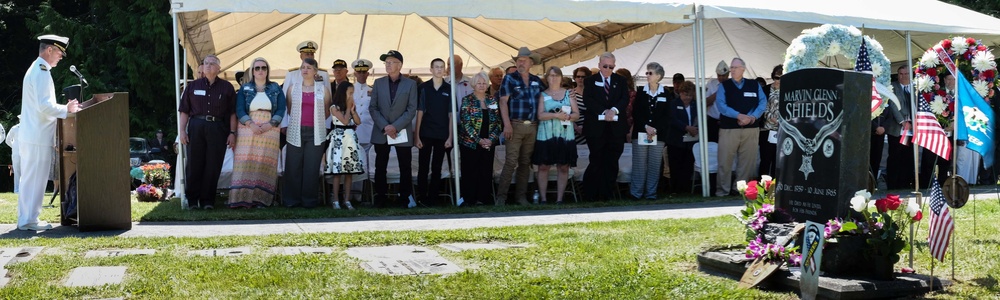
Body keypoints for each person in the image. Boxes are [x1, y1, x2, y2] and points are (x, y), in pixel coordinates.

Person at [18, 35, 81, 231]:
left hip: (33, 135)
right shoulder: (41, 72)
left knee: (31, 179)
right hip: (36, 136)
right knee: (34, 180)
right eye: (60, 52)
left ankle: (27, 218)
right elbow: (44, 106)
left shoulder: (37, 69)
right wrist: (66, 109)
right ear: (49, 50)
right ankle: (29, 220)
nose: (61, 56)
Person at [179, 54, 237, 210]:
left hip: (217, 128)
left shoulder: (227, 87)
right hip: (196, 126)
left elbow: (232, 113)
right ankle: (192, 200)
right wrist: (182, 132)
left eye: (212, 63)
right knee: (194, 163)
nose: (209, 66)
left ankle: (207, 201)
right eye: (206, 63)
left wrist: (232, 133)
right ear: (202, 68)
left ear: (219, 68)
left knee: (213, 164)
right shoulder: (192, 86)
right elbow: (184, 111)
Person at [227, 57, 285, 208]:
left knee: (265, 162)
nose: (260, 71)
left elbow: (281, 109)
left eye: (263, 68)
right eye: (257, 68)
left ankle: (262, 200)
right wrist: (250, 124)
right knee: (245, 162)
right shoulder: (245, 89)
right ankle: (241, 199)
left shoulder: (276, 88)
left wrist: (270, 124)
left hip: (270, 129)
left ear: (267, 70)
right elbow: (239, 109)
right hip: (247, 128)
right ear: (252, 71)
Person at [370, 50, 419, 209]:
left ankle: (404, 198)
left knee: (405, 166)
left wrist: (395, 126)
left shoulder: (410, 84)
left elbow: (412, 109)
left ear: (400, 65)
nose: (388, 65)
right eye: (386, 63)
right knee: (380, 166)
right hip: (382, 131)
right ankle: (380, 197)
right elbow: (373, 108)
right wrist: (386, 126)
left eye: (391, 62)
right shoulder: (378, 83)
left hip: (401, 131)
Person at [497, 47, 544, 206]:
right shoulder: (509, 79)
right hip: (515, 125)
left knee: (525, 162)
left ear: (531, 63)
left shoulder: (537, 81)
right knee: (511, 161)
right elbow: (503, 102)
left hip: (532, 126)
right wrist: (507, 125)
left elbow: (547, 99)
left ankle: (521, 197)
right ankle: (501, 198)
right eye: (518, 60)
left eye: (524, 60)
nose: (520, 63)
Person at [714, 57, 766, 197]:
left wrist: (752, 117)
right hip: (729, 130)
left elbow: (762, 103)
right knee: (725, 161)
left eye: (735, 67)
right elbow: (721, 105)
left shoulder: (754, 85)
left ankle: (739, 189)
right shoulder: (724, 86)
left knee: (747, 162)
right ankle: (722, 191)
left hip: (751, 129)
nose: (732, 70)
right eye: (731, 68)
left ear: (743, 69)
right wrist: (738, 116)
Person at [283, 58, 331, 208]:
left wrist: (316, 122)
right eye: (303, 67)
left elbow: (327, 110)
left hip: (316, 133)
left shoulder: (323, 89)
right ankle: (292, 200)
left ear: (315, 71)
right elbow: (290, 108)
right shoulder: (293, 88)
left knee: (311, 167)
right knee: (293, 166)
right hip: (296, 131)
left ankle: (309, 201)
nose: (305, 70)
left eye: (309, 67)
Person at [582, 52, 630, 201]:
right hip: (596, 128)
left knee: (612, 161)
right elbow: (588, 100)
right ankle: (590, 194)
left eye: (611, 66)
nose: (608, 69)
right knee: (596, 160)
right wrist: (604, 111)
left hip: (616, 129)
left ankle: (607, 194)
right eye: (605, 66)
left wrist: (613, 110)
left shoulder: (620, 80)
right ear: (599, 65)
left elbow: (625, 98)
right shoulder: (590, 80)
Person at [532, 66, 579, 204]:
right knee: (543, 166)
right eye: (551, 76)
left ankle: (560, 199)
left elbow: (577, 114)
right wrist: (555, 115)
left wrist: (568, 117)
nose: (554, 78)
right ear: (546, 78)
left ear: (561, 77)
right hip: (546, 135)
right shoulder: (542, 95)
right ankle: (544, 198)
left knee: (564, 166)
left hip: (565, 135)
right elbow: (540, 115)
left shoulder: (569, 94)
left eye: (556, 75)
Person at [414, 58, 454, 206]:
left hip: (442, 134)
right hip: (425, 133)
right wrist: (416, 135)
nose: (439, 69)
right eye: (436, 67)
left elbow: (451, 114)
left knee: (437, 168)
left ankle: (433, 198)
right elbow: (419, 112)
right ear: (431, 69)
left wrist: (450, 136)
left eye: (441, 67)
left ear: (445, 70)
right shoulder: (423, 88)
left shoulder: (449, 89)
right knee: (423, 167)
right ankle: (422, 198)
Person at [457, 72, 501, 206]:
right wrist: (479, 140)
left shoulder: (492, 100)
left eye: (484, 83)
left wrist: (490, 140)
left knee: (485, 171)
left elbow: (498, 123)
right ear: (473, 85)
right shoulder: (467, 100)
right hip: (470, 143)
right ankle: (469, 199)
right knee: (470, 171)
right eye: (479, 83)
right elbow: (465, 123)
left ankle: (484, 199)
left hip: (488, 143)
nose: (482, 86)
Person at [630, 62, 671, 199]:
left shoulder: (666, 93)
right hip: (641, 132)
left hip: (658, 135)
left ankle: (651, 193)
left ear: (658, 76)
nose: (647, 75)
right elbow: (636, 112)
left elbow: (667, 115)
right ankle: (636, 193)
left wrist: (656, 128)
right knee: (639, 165)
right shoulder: (641, 91)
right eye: (647, 72)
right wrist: (645, 126)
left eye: (650, 73)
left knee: (654, 165)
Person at [325, 81, 365, 209]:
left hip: (350, 138)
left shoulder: (351, 106)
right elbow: (344, 120)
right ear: (343, 93)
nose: (352, 96)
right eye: (350, 93)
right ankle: (336, 199)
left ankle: (347, 200)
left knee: (349, 171)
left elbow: (357, 121)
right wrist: (348, 108)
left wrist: (353, 110)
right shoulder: (334, 107)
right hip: (338, 138)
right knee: (338, 172)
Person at [666, 81, 698, 194]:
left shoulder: (695, 104)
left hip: (691, 141)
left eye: (690, 95)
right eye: (685, 95)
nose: (688, 97)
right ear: (680, 93)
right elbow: (672, 119)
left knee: (688, 165)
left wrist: (695, 128)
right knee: (675, 166)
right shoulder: (673, 103)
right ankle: (675, 190)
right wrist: (686, 127)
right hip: (676, 140)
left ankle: (686, 189)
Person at [886, 65, 914, 189]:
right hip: (897, 129)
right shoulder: (893, 87)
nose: (903, 76)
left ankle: (905, 183)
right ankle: (892, 184)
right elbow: (893, 105)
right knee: (894, 156)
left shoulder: (915, 88)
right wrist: (903, 122)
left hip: (911, 129)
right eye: (900, 74)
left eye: (906, 74)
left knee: (907, 157)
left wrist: (914, 122)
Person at [759, 65, 782, 177]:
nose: (779, 80)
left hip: (781, 130)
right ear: (773, 77)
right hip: (766, 129)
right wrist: (771, 118)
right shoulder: (765, 89)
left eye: (782, 78)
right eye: (777, 77)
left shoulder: (788, 91)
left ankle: (774, 188)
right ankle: (762, 187)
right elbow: (762, 107)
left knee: (777, 160)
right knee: (765, 159)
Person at [704, 60, 729, 143]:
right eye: (719, 75)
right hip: (713, 121)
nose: (721, 78)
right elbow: (705, 103)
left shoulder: (733, 85)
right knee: (711, 146)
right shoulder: (711, 84)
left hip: (727, 122)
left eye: (724, 76)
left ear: (728, 74)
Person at [571, 67, 593, 145]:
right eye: (578, 76)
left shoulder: (593, 94)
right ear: (574, 78)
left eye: (583, 77)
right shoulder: (569, 93)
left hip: (591, 131)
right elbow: (566, 113)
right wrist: (576, 127)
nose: (580, 79)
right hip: (574, 131)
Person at [616, 68, 638, 142]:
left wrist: (631, 130)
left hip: (630, 130)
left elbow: (638, 115)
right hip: (615, 130)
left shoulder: (634, 95)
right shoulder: (614, 95)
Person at [6, 118, 20, 194]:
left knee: (26, 172)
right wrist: (14, 147)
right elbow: (7, 140)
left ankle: (24, 190)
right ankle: (17, 190)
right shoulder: (14, 128)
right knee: (17, 172)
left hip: (26, 153)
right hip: (16, 154)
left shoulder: (30, 128)